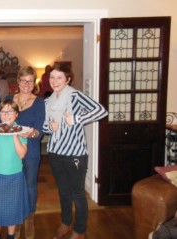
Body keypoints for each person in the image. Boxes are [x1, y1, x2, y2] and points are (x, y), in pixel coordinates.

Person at [43, 63, 108, 239]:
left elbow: (101, 111)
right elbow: (45, 127)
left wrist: (76, 118)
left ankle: (80, 230)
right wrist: (51, 126)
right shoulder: (48, 101)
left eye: (59, 77)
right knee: (63, 191)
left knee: (77, 193)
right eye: (52, 77)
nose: (54, 81)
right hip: (55, 152)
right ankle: (66, 222)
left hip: (74, 155)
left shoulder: (75, 96)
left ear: (68, 79)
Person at [0, 66, 45, 239]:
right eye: (23, 80)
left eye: (30, 81)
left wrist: (31, 133)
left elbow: (39, 128)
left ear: (34, 83)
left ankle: (29, 218)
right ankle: (16, 220)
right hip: (9, 153)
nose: (26, 84)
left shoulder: (39, 102)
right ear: (17, 81)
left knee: (30, 186)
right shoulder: (10, 99)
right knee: (16, 189)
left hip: (30, 149)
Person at [0, 99, 30, 239]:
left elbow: (22, 154)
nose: (7, 114)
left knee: (13, 209)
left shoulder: (21, 131)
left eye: (10, 111)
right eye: (3, 111)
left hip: (15, 176)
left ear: (16, 114)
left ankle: (11, 236)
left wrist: (14, 135)